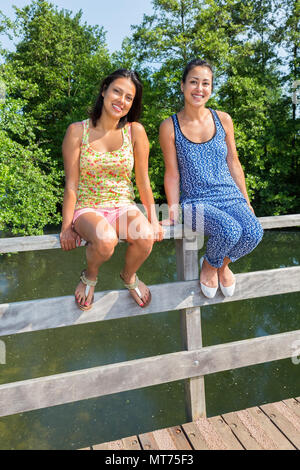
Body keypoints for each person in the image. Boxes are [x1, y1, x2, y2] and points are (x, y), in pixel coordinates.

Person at [60, 69, 164, 311]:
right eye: (117, 91)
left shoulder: (135, 131)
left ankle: (129, 276)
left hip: (123, 206)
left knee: (146, 236)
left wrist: (153, 219)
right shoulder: (77, 131)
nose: (122, 100)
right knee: (106, 240)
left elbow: (143, 181)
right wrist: (66, 227)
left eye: (129, 97)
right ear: (104, 90)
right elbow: (71, 184)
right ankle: (90, 276)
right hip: (88, 208)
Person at [159, 59, 263, 298]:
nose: (199, 88)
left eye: (206, 83)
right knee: (228, 230)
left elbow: (233, 161)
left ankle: (220, 264)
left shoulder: (223, 119)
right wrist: (172, 212)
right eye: (193, 82)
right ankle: (209, 264)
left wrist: (245, 199)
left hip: (230, 195)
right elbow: (172, 174)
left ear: (211, 88)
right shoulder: (169, 126)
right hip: (196, 202)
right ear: (183, 86)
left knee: (253, 232)